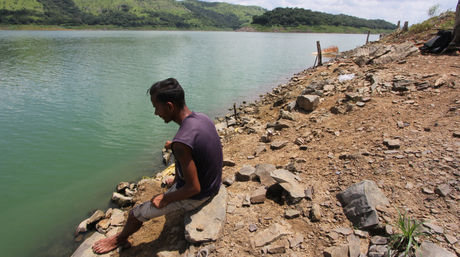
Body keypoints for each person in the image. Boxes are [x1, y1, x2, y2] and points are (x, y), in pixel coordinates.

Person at [92, 78, 223, 254]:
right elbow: (195, 146)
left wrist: (166, 198)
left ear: (169, 106)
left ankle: (119, 238)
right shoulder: (201, 118)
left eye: (156, 107)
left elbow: (194, 188)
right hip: (214, 184)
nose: (155, 113)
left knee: (135, 214)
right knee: (178, 161)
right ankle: (177, 181)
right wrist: (175, 147)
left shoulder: (181, 143)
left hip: (200, 195)